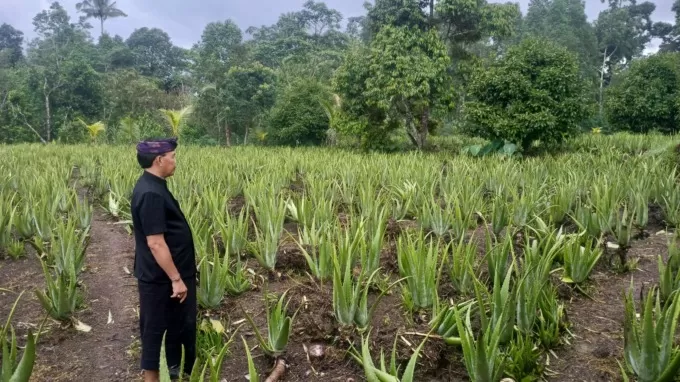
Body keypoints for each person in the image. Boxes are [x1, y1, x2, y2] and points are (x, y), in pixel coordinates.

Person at [131, 138, 197, 382]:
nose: (174, 161)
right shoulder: (151, 193)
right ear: (159, 160)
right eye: (173, 156)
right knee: (156, 334)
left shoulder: (154, 186)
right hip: (162, 282)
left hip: (164, 279)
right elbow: (155, 242)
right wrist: (176, 279)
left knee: (172, 332)